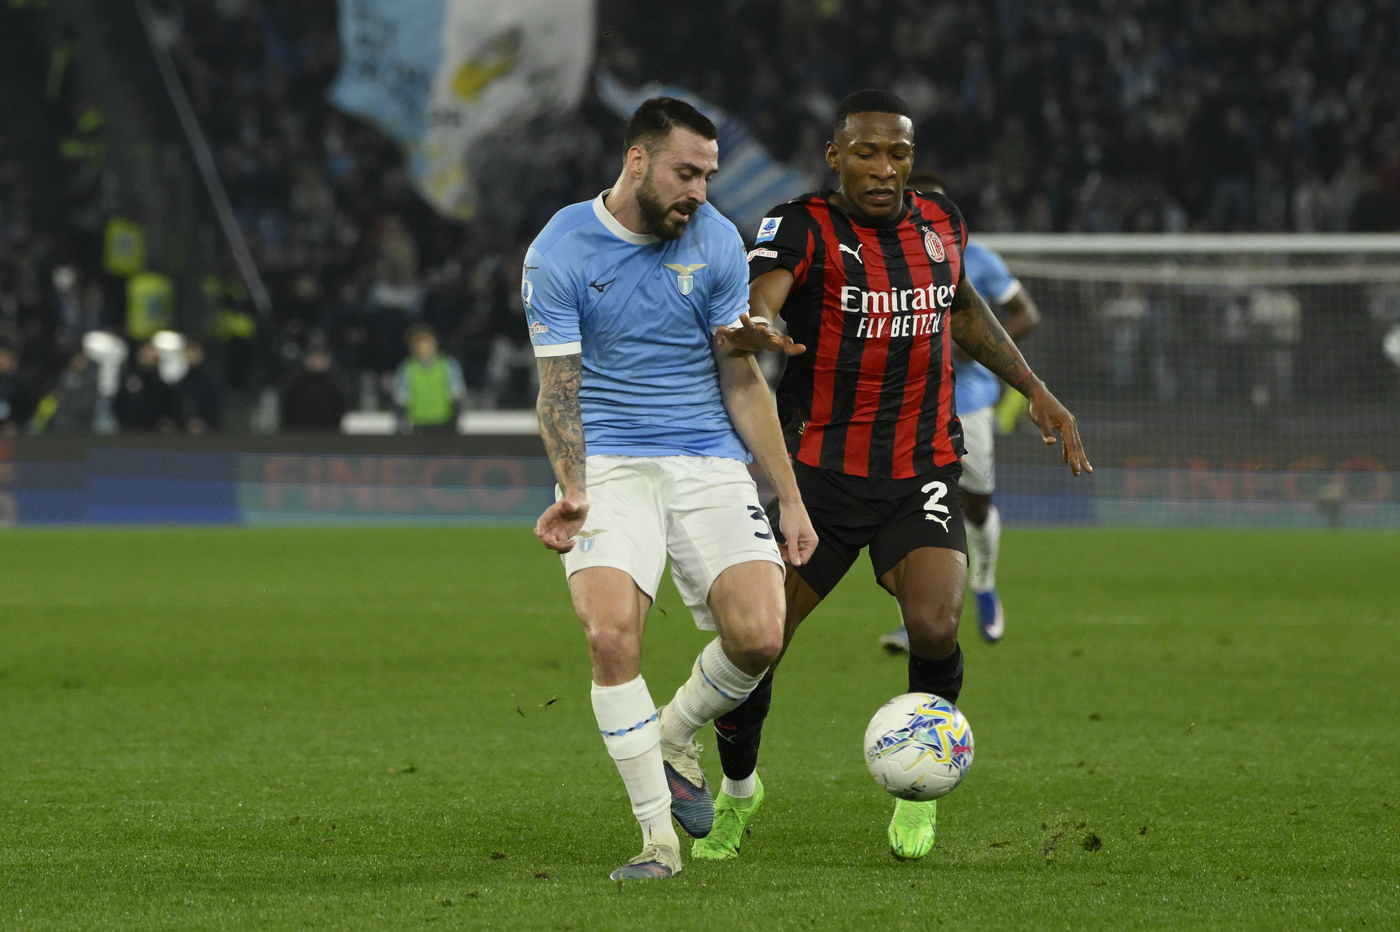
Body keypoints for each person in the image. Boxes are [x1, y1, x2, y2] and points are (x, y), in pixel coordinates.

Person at [702, 90, 1090, 863]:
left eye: (899, 155)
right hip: (818, 476)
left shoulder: (941, 221)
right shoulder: (802, 224)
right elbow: (763, 303)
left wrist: (1034, 389)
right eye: (868, 153)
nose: (884, 170)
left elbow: (966, 308)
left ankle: (921, 795)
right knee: (759, 644)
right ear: (835, 155)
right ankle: (739, 790)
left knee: (936, 625)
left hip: (920, 468)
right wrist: (762, 329)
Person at [524, 97, 817, 882]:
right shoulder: (560, 248)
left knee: (760, 636)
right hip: (612, 465)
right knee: (611, 637)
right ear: (638, 162)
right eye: (687, 173)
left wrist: (788, 496)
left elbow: (741, 378)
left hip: (707, 461)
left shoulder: (718, 242)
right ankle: (657, 840)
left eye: (710, 176)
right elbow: (558, 389)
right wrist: (572, 487)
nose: (701, 191)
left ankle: (673, 731)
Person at [878, 171, 1042, 649]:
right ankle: (917, 621)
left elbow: (1026, 312)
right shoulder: (883, 258)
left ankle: (985, 585)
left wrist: (974, 349)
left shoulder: (974, 257)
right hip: (906, 402)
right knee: (903, 510)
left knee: (975, 504)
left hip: (967, 403)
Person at [393, 324, 466, 432]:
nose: (424, 350)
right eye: (420, 347)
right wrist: (401, 421)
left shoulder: (447, 365)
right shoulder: (407, 368)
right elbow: (401, 398)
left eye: (427, 345)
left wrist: (456, 418)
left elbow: (457, 393)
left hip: (444, 422)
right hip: (418, 423)